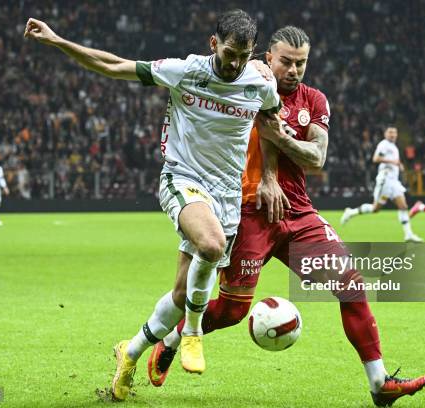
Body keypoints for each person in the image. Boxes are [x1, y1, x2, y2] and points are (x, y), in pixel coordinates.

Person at [150, 26, 425, 407]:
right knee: (232, 310)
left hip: (298, 213)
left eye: (301, 63)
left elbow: (316, 158)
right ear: (267, 58)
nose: (294, 70)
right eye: (286, 62)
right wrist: (264, 177)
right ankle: (170, 340)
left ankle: (379, 383)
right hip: (247, 212)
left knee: (351, 285)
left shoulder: (313, 100)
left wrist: (280, 138)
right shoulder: (242, 87)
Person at [24, 9, 280, 401]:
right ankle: (192, 334)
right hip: (183, 179)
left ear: (253, 53)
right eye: (229, 52)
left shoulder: (260, 84)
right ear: (214, 44)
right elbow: (114, 65)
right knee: (210, 246)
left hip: (227, 196)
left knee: (181, 295)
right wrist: (59, 42)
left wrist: (271, 173)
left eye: (244, 56)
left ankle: (128, 353)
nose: (234, 63)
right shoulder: (185, 71)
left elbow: (273, 121)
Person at [340, 126, 422, 242]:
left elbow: (393, 161)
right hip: (385, 180)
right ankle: (350, 212)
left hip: (394, 182)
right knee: (375, 209)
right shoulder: (384, 144)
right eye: (390, 132)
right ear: (385, 134)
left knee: (403, 206)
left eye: (394, 132)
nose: (392, 134)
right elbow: (376, 158)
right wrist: (393, 162)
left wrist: (398, 164)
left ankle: (408, 234)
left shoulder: (393, 147)